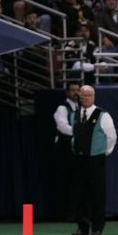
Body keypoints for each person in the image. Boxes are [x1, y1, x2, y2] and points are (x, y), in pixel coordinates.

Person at [68, 85, 117, 235]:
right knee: (79, 194)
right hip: (79, 160)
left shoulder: (103, 115)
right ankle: (82, 227)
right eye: (83, 95)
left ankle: (97, 227)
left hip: (96, 159)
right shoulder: (74, 115)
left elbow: (112, 137)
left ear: (94, 96)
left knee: (97, 194)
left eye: (89, 95)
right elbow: (73, 136)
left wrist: (104, 152)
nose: (85, 97)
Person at [51, 81, 81, 218]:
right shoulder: (62, 109)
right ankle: (65, 212)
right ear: (68, 93)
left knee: (77, 180)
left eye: (77, 90)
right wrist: (80, 132)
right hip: (65, 148)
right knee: (65, 179)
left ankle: (76, 210)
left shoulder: (81, 108)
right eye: (73, 90)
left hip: (78, 148)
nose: (76, 93)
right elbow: (63, 127)